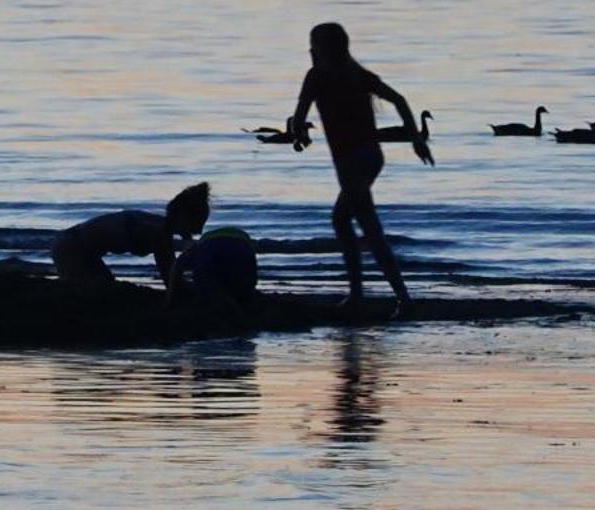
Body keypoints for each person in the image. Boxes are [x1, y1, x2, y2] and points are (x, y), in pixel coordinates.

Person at [287, 21, 433, 315]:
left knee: (369, 227)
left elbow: (299, 116)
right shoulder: (357, 74)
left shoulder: (316, 76)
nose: (309, 50)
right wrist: (415, 138)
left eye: (313, 45)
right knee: (342, 219)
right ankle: (359, 294)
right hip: (370, 157)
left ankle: (402, 299)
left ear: (324, 49)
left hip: (352, 162)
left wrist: (298, 132)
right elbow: (400, 100)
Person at [51, 183, 210, 290]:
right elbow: (170, 279)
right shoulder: (158, 233)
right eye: (197, 224)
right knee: (95, 291)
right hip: (70, 249)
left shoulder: (156, 224)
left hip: (76, 247)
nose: (199, 231)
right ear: (183, 217)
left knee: (105, 285)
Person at [164, 225, 260, 312]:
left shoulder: (197, 247)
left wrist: (170, 299)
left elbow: (178, 266)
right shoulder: (199, 246)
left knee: (205, 290)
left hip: (210, 245)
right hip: (241, 244)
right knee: (245, 289)